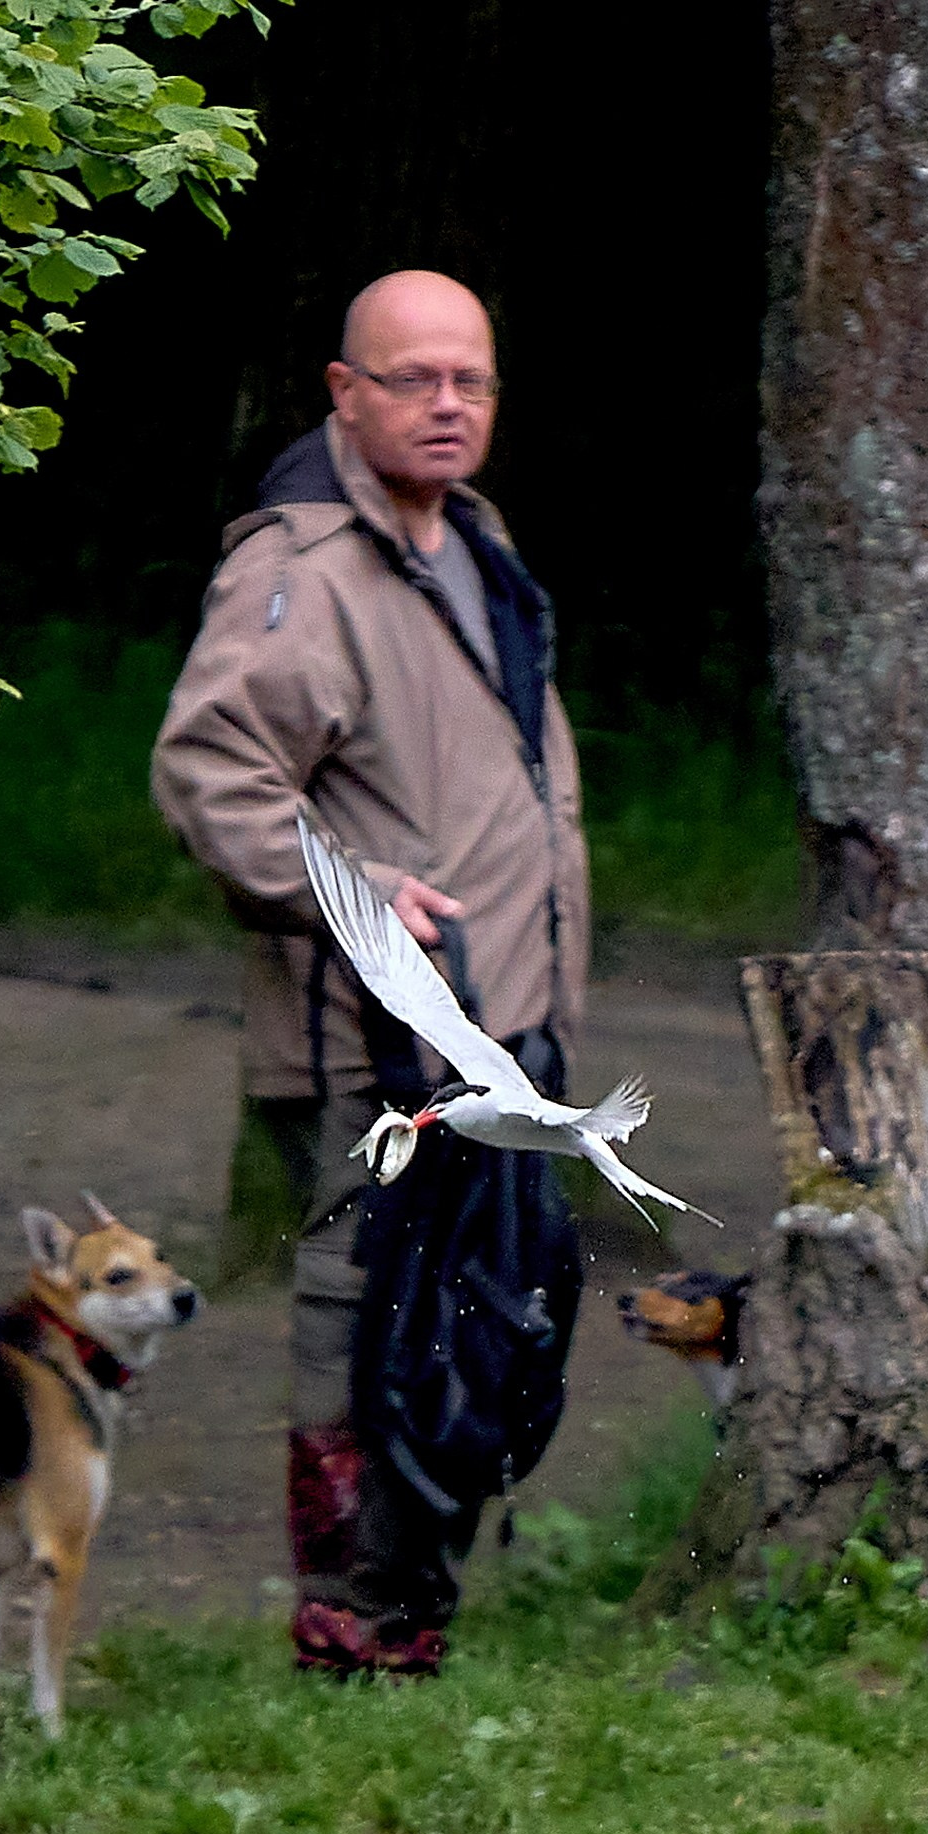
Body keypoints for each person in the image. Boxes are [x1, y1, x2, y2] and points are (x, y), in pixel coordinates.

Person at [151, 269, 590, 1675]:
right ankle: (349, 1637)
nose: (448, 405)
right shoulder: (305, 572)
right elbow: (213, 774)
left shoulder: (469, 538)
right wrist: (351, 897)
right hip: (375, 1057)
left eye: (471, 379)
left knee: (481, 1331)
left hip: (502, 1032)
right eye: (413, 379)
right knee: (366, 1338)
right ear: (345, 393)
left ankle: (413, 1623)